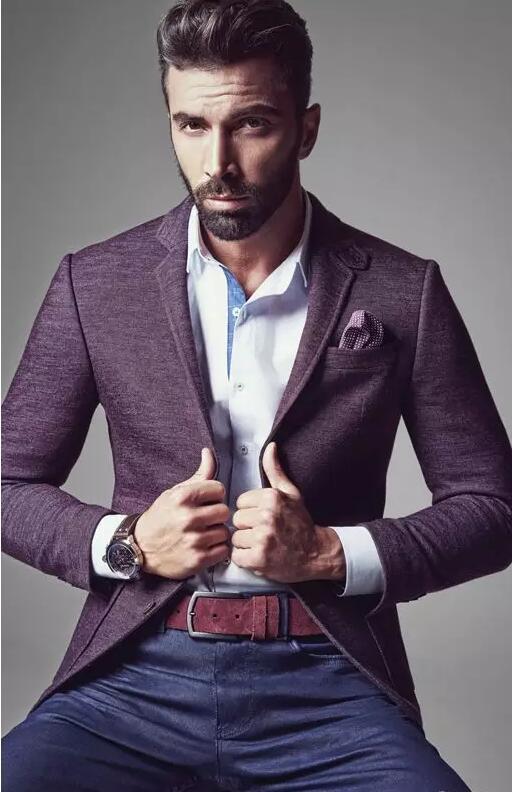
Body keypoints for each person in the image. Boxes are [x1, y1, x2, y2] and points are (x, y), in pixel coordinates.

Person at [2, 1, 511, 789]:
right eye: (192, 126)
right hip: (134, 676)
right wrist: (127, 542)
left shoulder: (403, 291)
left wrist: (332, 553)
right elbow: (6, 482)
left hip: (329, 682)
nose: (219, 163)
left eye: (252, 125)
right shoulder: (94, 283)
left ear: (306, 129)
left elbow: (494, 506)